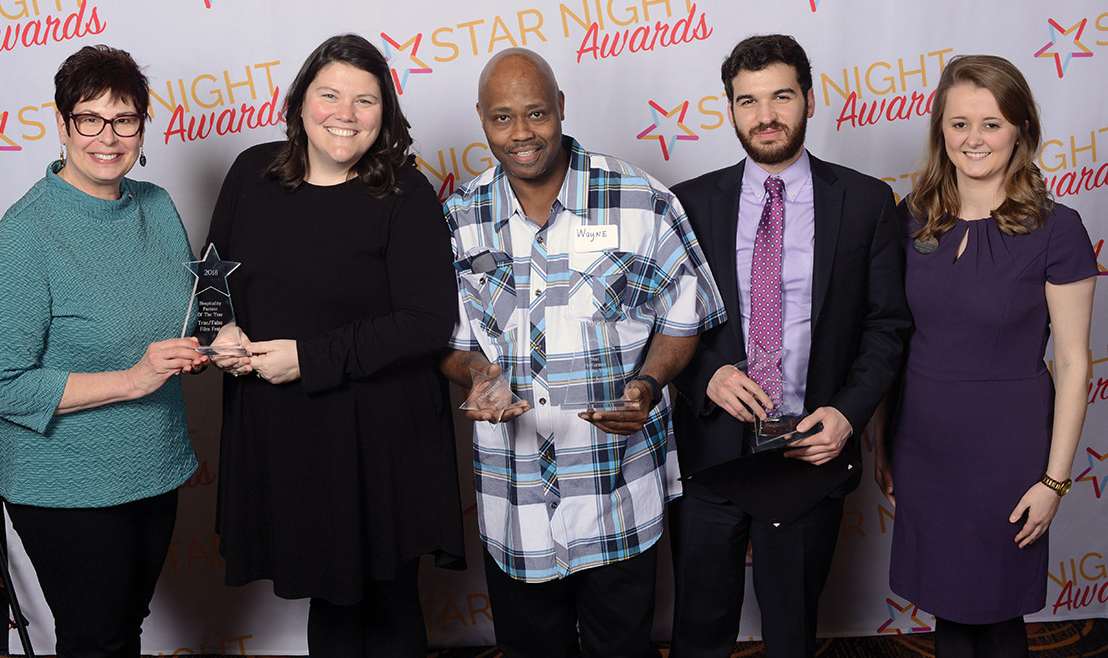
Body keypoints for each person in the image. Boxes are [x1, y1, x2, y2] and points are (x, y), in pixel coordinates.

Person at [439, 48, 725, 658]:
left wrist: (647, 385)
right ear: (482, 120)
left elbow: (684, 323)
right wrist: (479, 375)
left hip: (616, 492)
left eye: (536, 112)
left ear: (562, 107)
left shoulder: (644, 200)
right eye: (502, 118)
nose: (521, 133)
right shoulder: (459, 218)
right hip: (515, 499)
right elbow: (451, 344)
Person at [206, 34, 465, 657]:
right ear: (299, 101)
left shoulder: (405, 192)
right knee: (330, 600)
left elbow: (427, 321)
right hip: (293, 435)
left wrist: (308, 357)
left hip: (382, 437)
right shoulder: (251, 174)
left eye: (365, 100)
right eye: (329, 95)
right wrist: (219, 331)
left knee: (388, 599)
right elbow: (213, 284)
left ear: (385, 113)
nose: (345, 114)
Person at [669, 34, 911, 657]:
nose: (765, 116)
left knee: (791, 635)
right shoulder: (689, 203)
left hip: (809, 451)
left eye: (781, 96)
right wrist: (705, 375)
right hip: (711, 454)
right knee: (698, 633)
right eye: (747, 101)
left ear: (809, 98)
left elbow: (887, 326)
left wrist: (848, 415)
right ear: (730, 108)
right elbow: (660, 324)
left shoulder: (866, 202)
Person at [0, 45, 204, 657]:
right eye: (89, 119)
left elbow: (187, 314)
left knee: (125, 627)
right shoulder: (28, 232)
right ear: (62, 124)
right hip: (64, 481)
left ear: (142, 128)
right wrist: (133, 378)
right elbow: (1, 383)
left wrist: (220, 338)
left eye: (124, 119)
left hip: (153, 463)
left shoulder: (157, 206)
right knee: (95, 639)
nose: (108, 136)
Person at [874, 54, 1096, 658]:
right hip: (923, 443)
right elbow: (890, 338)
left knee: (996, 613)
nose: (974, 139)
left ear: (1020, 130)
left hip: (1007, 450)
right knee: (949, 606)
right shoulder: (910, 219)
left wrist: (1054, 480)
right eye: (960, 123)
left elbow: (1073, 362)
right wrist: (882, 441)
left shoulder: (1058, 229)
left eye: (991, 124)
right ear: (940, 131)